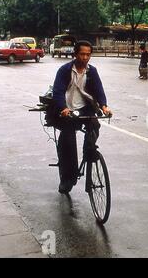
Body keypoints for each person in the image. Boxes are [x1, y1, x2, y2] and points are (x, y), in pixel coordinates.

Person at [52, 40, 112, 194]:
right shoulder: (64, 70)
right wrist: (63, 108)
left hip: (85, 108)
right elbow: (57, 92)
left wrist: (104, 106)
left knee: (95, 126)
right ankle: (67, 179)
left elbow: (99, 90)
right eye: (82, 54)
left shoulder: (92, 71)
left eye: (88, 54)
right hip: (68, 110)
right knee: (68, 142)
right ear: (75, 54)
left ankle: (89, 152)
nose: (85, 57)